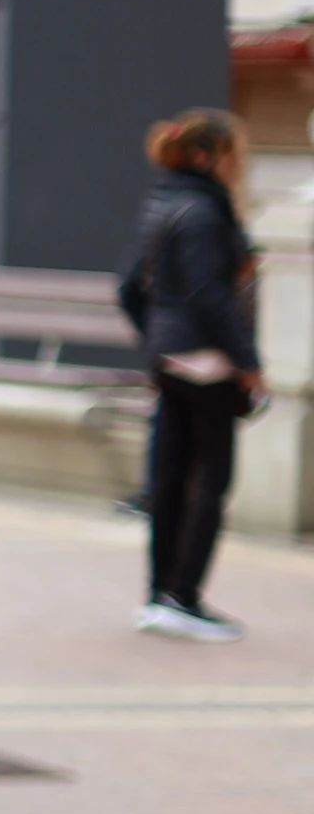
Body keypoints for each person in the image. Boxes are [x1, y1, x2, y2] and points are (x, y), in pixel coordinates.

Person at [122, 108, 266, 641]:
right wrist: (250, 364)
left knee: (169, 478)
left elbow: (130, 288)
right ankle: (184, 596)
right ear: (209, 157)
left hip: (171, 364)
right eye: (235, 154)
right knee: (210, 478)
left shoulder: (161, 203)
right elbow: (212, 295)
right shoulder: (206, 211)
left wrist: (160, 341)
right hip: (208, 365)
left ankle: (160, 594)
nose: (239, 165)